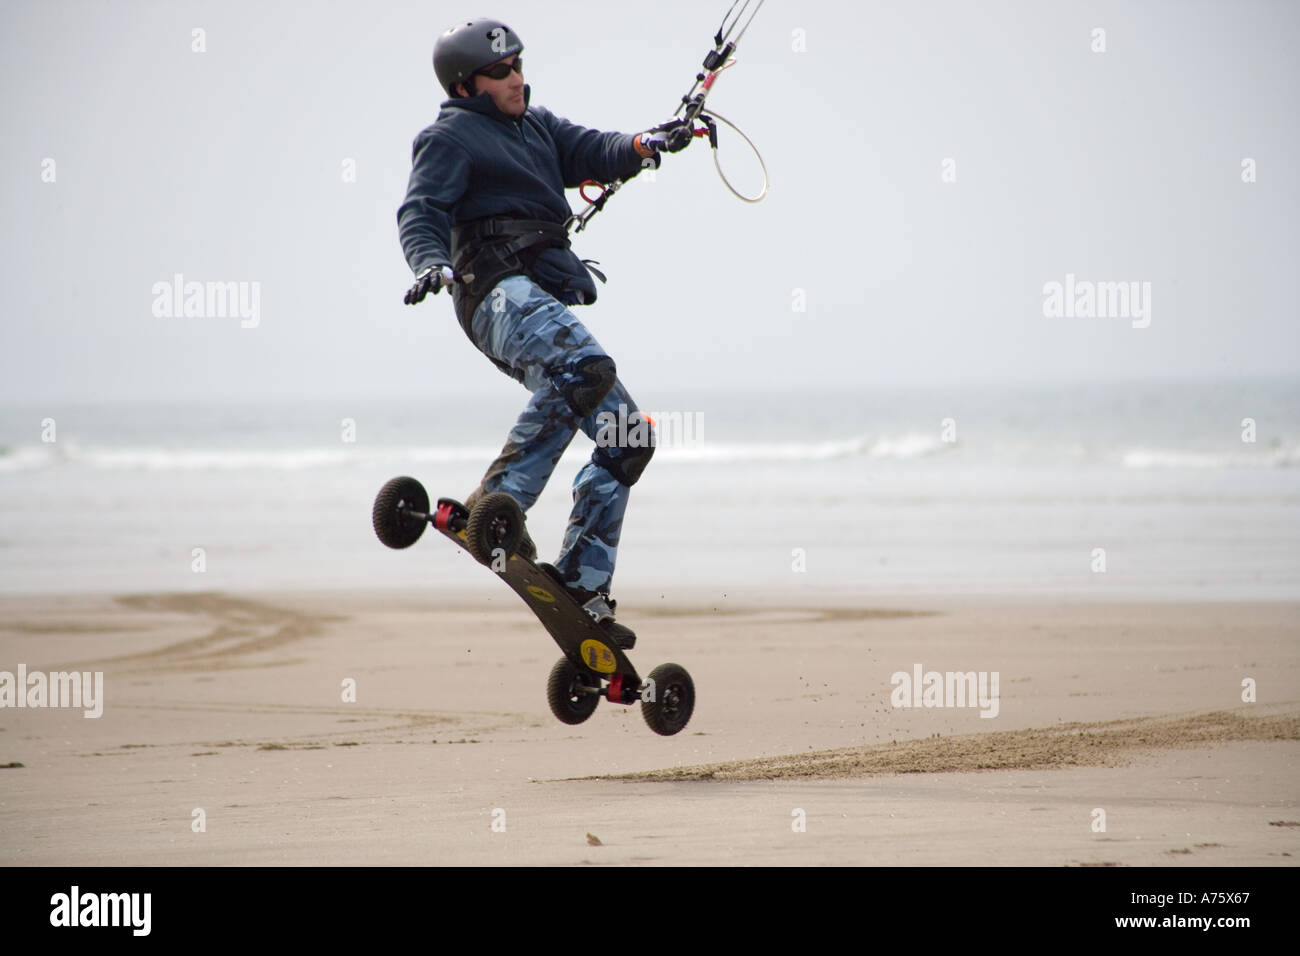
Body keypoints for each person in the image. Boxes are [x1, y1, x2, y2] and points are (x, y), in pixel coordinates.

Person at [398, 18, 692, 649]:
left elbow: (596, 148)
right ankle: (496, 503)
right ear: (465, 85)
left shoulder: (537, 126)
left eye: (519, 66)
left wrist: (645, 143)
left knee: (627, 439)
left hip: (536, 297)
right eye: (500, 72)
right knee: (584, 371)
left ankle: (584, 584)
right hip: (493, 291)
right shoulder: (449, 138)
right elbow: (421, 211)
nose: (516, 79)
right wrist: (428, 263)